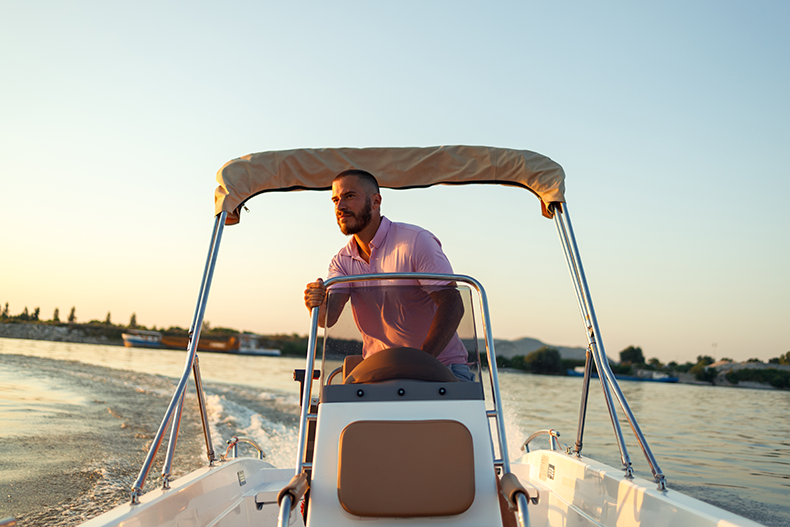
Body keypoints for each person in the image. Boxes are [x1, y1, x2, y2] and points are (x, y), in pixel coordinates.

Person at [303, 169, 474, 382]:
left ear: (376, 201)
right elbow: (327, 320)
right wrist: (315, 304)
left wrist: (420, 363)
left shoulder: (415, 241)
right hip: (378, 372)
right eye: (335, 200)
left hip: (441, 369)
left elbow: (453, 305)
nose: (340, 206)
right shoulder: (341, 261)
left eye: (350, 196)